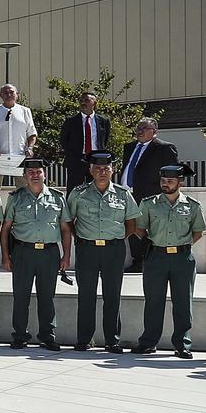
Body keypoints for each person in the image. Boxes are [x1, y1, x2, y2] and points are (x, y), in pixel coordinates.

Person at [63, 150, 138, 352]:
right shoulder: (79, 193)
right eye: (98, 168)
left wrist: (117, 239)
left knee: (112, 295)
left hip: (113, 250)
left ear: (112, 170)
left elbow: (131, 223)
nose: (102, 172)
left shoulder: (123, 194)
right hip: (87, 249)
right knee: (86, 295)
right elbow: (68, 220)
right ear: (90, 170)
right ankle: (84, 339)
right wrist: (79, 238)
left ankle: (112, 340)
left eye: (106, 168)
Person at [131, 164, 202, 358]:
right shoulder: (149, 204)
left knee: (183, 302)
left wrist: (180, 245)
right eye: (163, 180)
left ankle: (182, 344)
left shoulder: (192, 206)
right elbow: (140, 229)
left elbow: (197, 232)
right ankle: (148, 342)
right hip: (156, 256)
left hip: (182, 258)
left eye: (170, 181)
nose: (166, 184)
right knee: (153, 301)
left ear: (180, 182)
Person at [1, 159, 63, 351]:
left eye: (38, 171)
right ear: (24, 176)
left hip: (49, 253)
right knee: (21, 296)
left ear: (45, 174)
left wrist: (66, 256)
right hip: (23, 253)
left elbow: (66, 229)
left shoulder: (57, 197)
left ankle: (48, 335)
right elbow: (5, 230)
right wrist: (5, 256)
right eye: (31, 172)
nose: (35, 175)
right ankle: (19, 336)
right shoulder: (15, 197)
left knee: (47, 297)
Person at [118, 118, 179, 271]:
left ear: (154, 132)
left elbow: (172, 174)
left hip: (151, 195)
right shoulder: (129, 147)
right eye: (138, 127)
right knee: (132, 228)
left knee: (149, 229)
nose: (140, 130)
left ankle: (150, 261)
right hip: (128, 194)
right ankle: (137, 261)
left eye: (144, 128)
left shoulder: (164, 148)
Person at [0, 84, 37, 183]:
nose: (9, 95)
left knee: (23, 188)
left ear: (17, 94)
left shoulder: (25, 111)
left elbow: (32, 133)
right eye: (5, 93)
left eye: (11, 92)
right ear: (1, 95)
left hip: (19, 156)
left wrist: (30, 148)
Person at [59, 92, 110, 189]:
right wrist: (73, 154)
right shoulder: (71, 121)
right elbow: (64, 140)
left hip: (96, 160)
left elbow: (104, 140)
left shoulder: (103, 121)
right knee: (74, 189)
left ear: (94, 103)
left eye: (87, 100)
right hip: (76, 161)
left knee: (96, 188)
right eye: (81, 101)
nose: (83, 103)